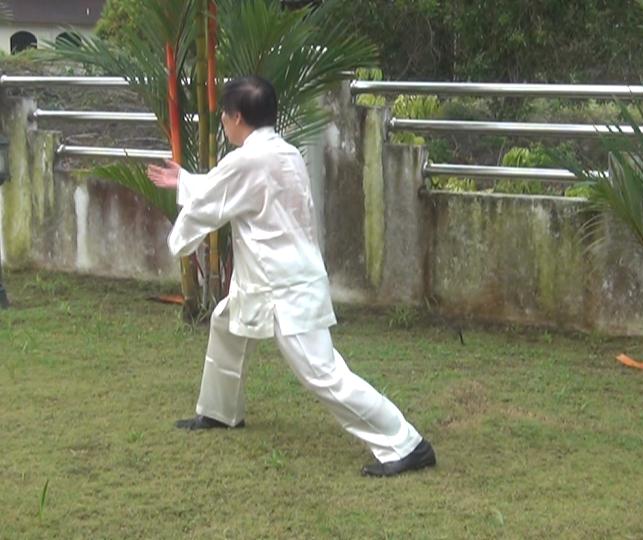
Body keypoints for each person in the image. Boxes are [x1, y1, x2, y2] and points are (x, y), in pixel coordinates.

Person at [147, 75, 435, 477]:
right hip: (272, 277)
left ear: (237, 118)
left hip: (284, 286)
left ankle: (406, 442)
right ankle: (220, 411)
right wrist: (186, 181)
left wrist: (177, 238)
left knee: (322, 372)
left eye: (225, 116)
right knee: (226, 323)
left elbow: (215, 199)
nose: (224, 123)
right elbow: (226, 189)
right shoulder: (283, 152)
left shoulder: (248, 159)